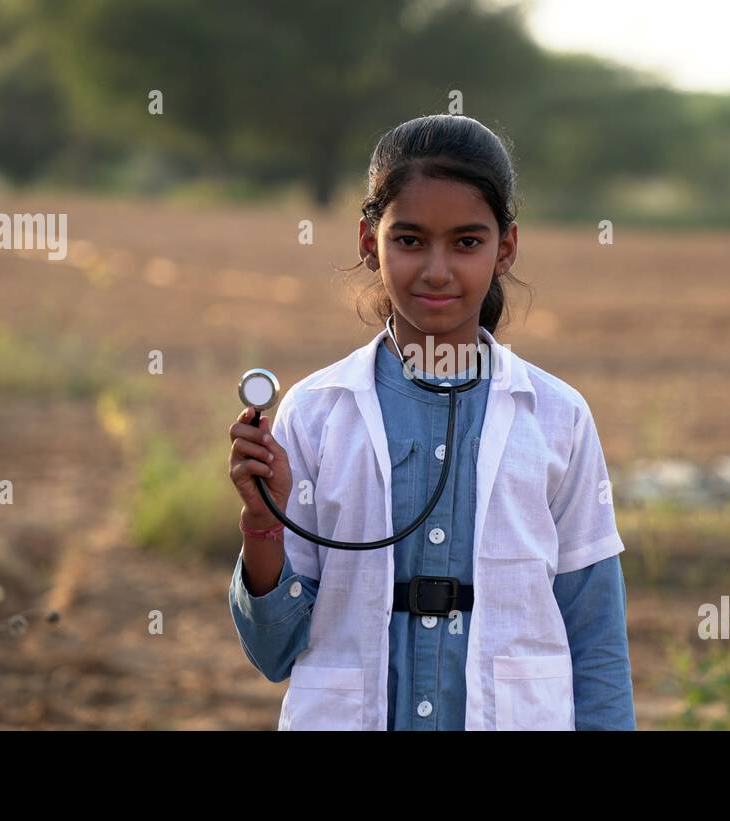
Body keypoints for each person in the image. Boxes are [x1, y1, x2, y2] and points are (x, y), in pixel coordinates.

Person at [227, 114, 635, 731]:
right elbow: (273, 651)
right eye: (410, 240)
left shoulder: (558, 417)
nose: (438, 270)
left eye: (467, 243)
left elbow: (596, 632)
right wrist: (262, 524)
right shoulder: (314, 413)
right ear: (370, 242)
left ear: (507, 248)